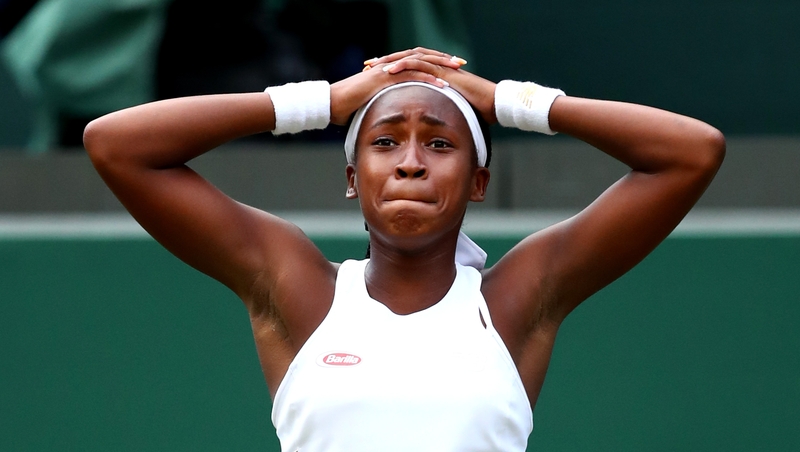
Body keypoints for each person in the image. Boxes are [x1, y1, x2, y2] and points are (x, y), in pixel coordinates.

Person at [83, 47, 725, 451]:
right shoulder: (297, 290)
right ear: (351, 176)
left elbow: (691, 154)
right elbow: (117, 146)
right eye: (385, 142)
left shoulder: (514, 302)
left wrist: (507, 101)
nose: (411, 163)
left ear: (479, 182)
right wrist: (324, 102)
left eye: (440, 145)